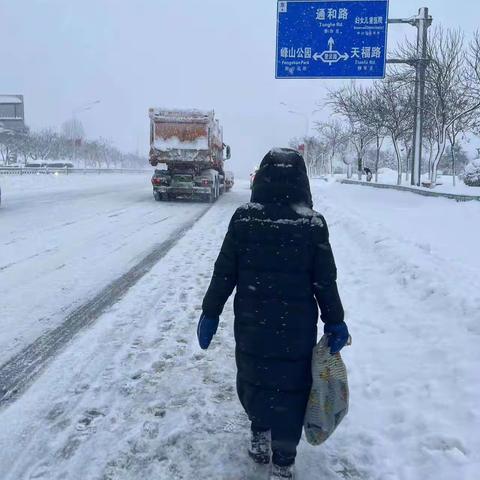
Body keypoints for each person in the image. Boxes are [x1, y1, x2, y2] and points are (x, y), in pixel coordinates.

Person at [198, 148, 348, 479]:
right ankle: (284, 458)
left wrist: (210, 312)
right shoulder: (312, 225)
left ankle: (259, 432)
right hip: (295, 330)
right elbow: (326, 281)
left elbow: (224, 273)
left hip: (253, 325)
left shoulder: (244, 219)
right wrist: (334, 320)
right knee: (292, 389)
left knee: (256, 379)